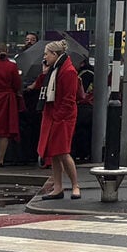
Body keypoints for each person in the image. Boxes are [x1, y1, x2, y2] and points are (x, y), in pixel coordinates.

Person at [36, 40, 81, 200]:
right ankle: (58, 187)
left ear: (55, 54)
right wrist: (44, 72)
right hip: (54, 114)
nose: (45, 57)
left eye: (46, 54)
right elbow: (43, 87)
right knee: (54, 153)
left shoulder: (68, 71)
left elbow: (69, 99)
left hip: (62, 116)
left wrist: (57, 116)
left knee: (62, 151)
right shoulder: (55, 69)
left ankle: (75, 185)